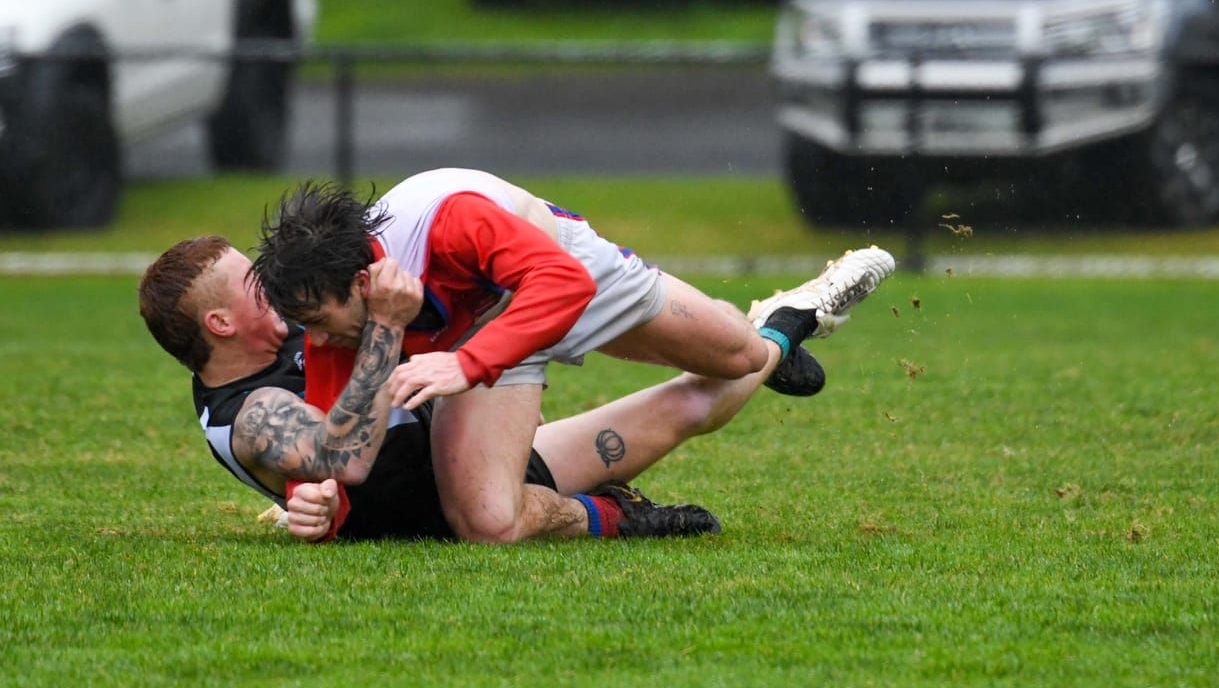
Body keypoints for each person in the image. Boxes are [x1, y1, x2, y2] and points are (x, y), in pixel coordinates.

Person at [249, 169, 895, 543]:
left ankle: (781, 323)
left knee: (738, 355)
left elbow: (563, 283)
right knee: (487, 522)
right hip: (489, 324)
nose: (316, 341)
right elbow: (332, 438)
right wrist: (312, 497)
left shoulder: (449, 222)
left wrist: (467, 364)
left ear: (363, 283)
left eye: (319, 322)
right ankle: (615, 513)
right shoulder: (334, 315)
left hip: (559, 268)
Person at [139, 236, 748, 540]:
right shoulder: (245, 415)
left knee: (716, 381)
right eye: (253, 281)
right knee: (693, 403)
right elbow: (341, 456)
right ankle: (619, 513)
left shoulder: (294, 326)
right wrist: (385, 324)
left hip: (481, 444)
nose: (271, 283)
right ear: (220, 324)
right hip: (463, 499)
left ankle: (773, 325)